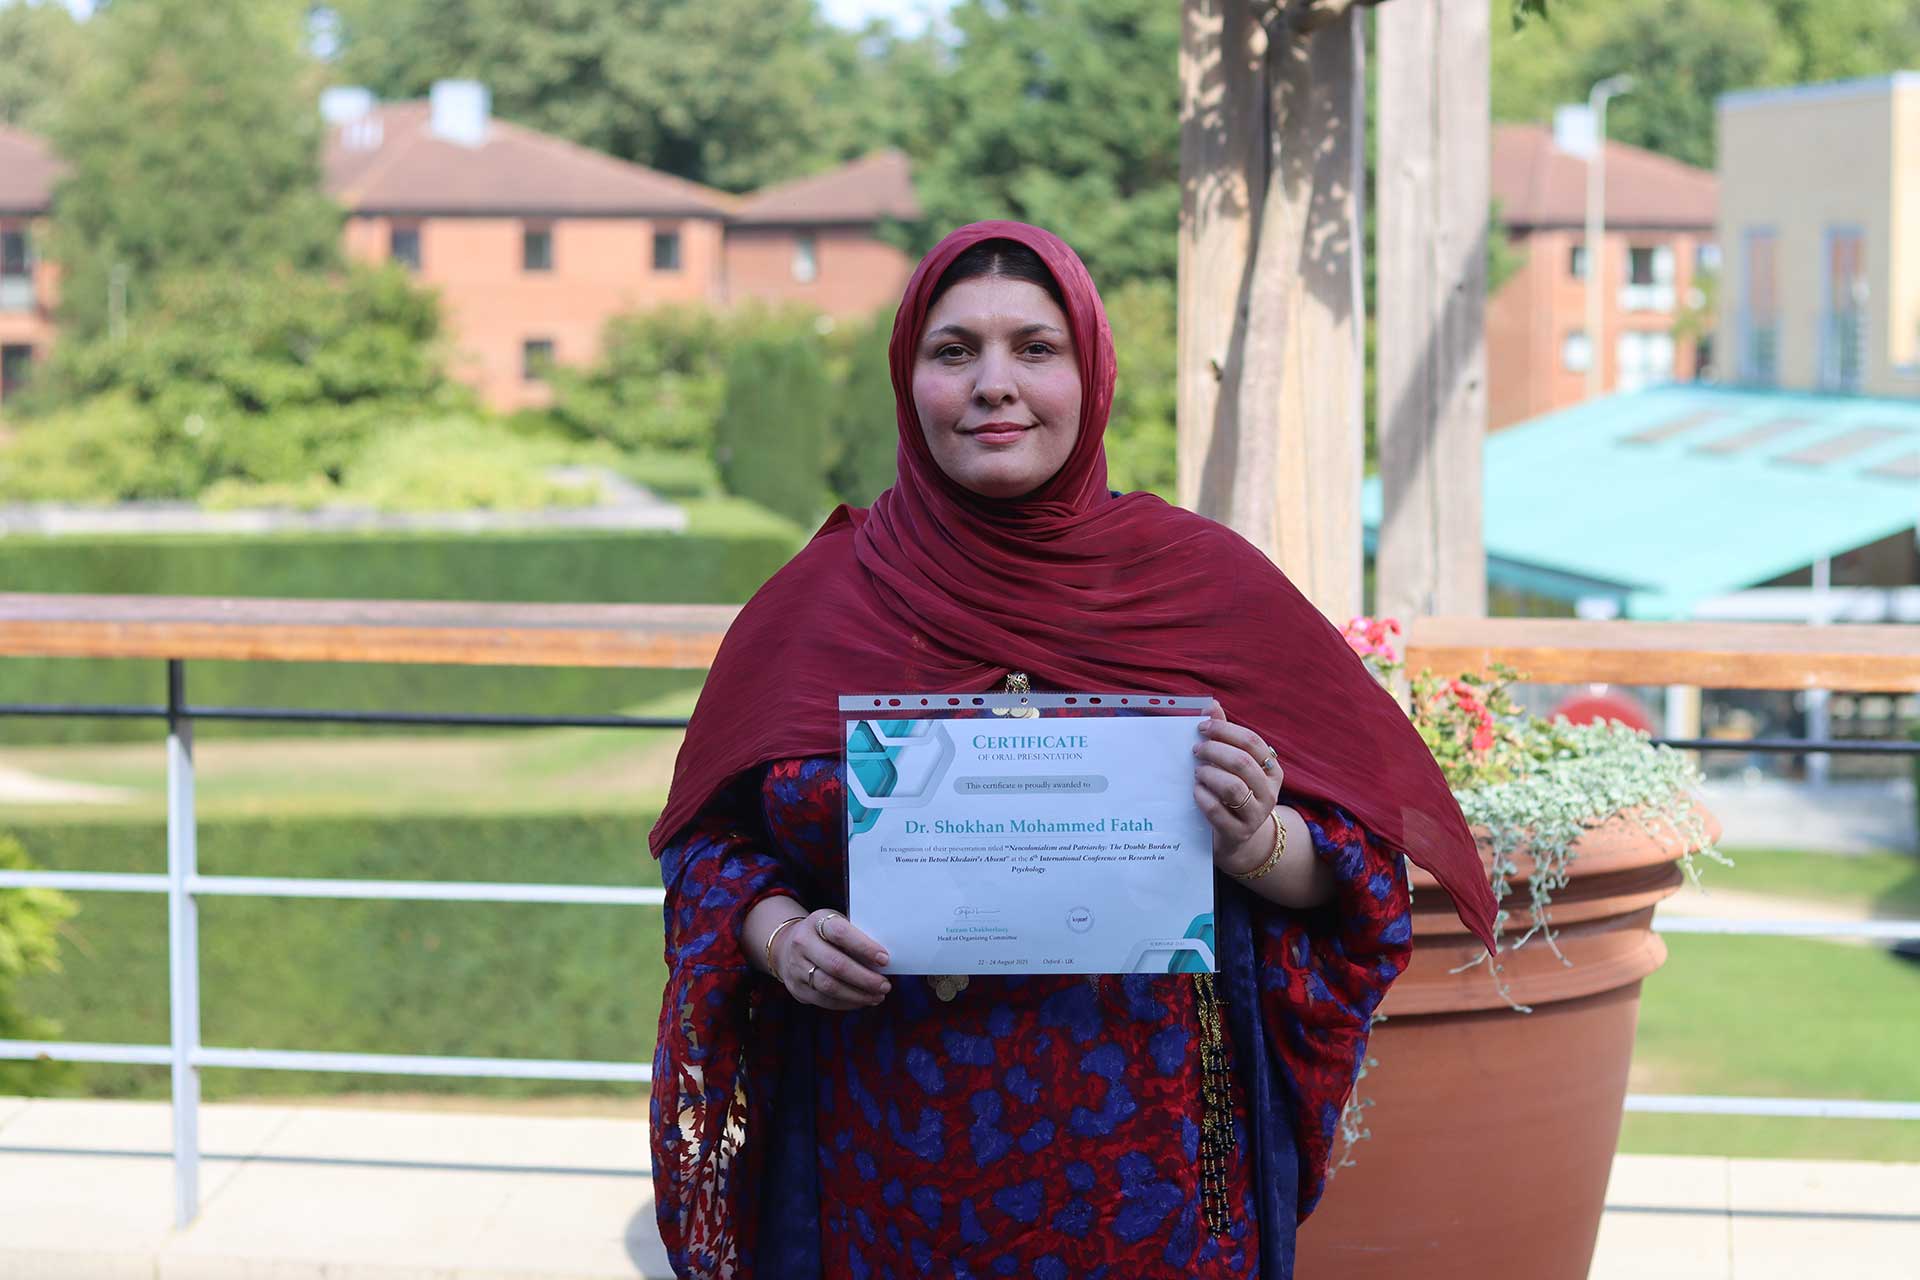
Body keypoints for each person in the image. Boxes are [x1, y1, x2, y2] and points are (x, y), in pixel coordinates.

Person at [649, 220, 1496, 1279]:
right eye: (954, 350)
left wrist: (1258, 840)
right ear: (908, 379)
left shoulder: (1206, 587)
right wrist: (779, 938)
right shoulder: (818, 602)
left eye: (1035, 348)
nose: (993, 384)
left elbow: (1357, 861)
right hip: (878, 1176)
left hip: (1150, 1183)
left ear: (1090, 372)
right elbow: (708, 842)